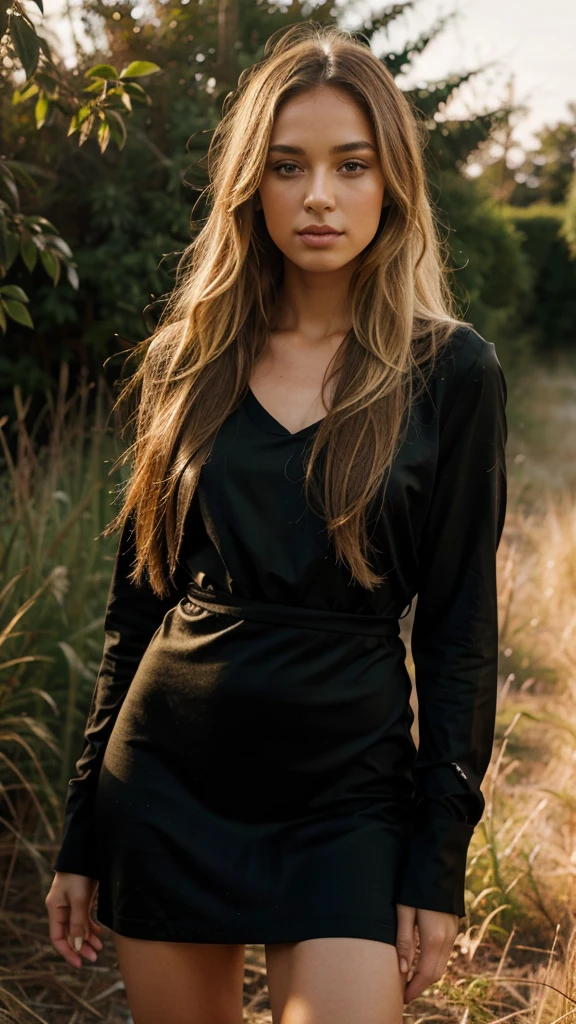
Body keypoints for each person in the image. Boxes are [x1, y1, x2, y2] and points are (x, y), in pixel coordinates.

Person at [45, 20, 508, 1024]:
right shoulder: (188, 360)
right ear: (251, 184)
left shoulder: (452, 373)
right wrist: (81, 830)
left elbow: (460, 634)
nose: (319, 196)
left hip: (346, 799)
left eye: (352, 164)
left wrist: (438, 859)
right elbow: (137, 608)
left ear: (392, 183)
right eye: (288, 167)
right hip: (167, 783)